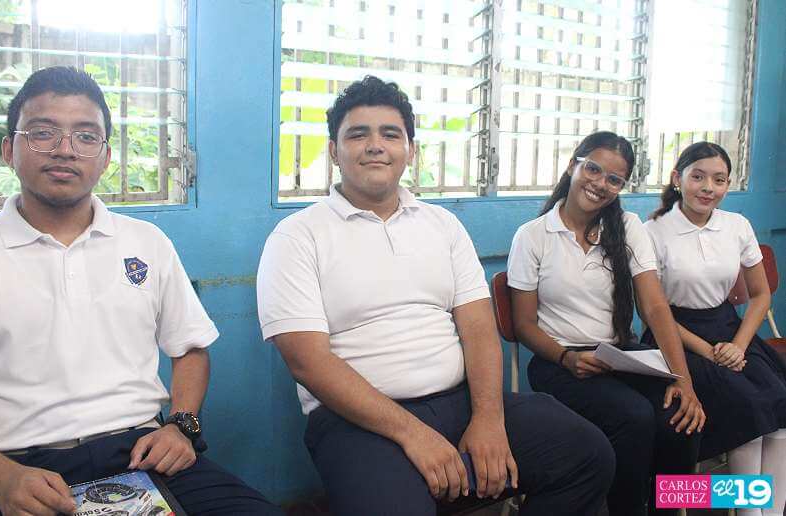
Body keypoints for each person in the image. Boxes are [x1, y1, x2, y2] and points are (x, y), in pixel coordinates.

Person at [257, 76, 615, 516]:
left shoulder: (442, 226)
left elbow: (479, 328)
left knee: (589, 454)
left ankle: (675, 495)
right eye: (358, 134)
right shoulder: (296, 237)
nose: (375, 146)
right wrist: (412, 433)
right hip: (356, 421)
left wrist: (488, 418)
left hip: (460, 401)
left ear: (411, 151)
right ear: (334, 151)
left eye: (391, 134)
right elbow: (307, 362)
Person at [0, 66, 281, 516]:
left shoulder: (147, 243)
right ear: (9, 150)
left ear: (106, 156)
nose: (65, 149)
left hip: (141, 451)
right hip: (18, 467)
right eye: (43, 133)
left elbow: (190, 349)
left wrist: (181, 427)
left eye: (85, 136)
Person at [507, 131, 706, 516]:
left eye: (614, 179)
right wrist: (566, 358)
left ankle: (669, 508)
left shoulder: (628, 226)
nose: (600, 183)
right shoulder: (532, 236)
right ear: (573, 166)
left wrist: (683, 380)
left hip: (619, 356)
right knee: (633, 416)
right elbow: (524, 324)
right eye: (593, 169)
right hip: (559, 362)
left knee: (682, 416)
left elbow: (654, 307)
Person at [643, 141, 786, 516]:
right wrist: (709, 352)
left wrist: (738, 345)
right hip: (674, 335)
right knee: (747, 407)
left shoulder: (736, 225)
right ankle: (748, 510)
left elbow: (760, 295)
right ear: (677, 179)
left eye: (719, 180)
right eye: (698, 177)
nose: (708, 187)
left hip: (728, 329)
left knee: (778, 399)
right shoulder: (652, 231)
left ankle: (770, 510)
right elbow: (654, 312)